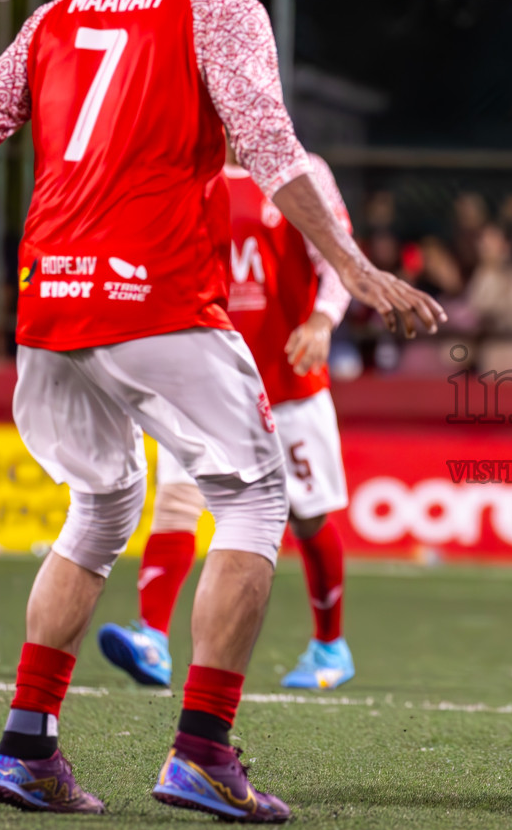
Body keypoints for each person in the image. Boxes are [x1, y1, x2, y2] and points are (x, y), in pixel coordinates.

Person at [0, 0, 443, 822]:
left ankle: (26, 744)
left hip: (50, 308)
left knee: (103, 505)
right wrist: (355, 266)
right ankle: (202, 748)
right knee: (252, 499)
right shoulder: (222, 9)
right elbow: (273, 149)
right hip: (153, 298)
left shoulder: (57, 15)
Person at [97, 151, 358, 692]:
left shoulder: (300, 170)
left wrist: (322, 319)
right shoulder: (187, 168)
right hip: (204, 376)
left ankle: (330, 646)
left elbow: (339, 256)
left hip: (288, 380)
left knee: (306, 516)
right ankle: (151, 637)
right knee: (176, 498)